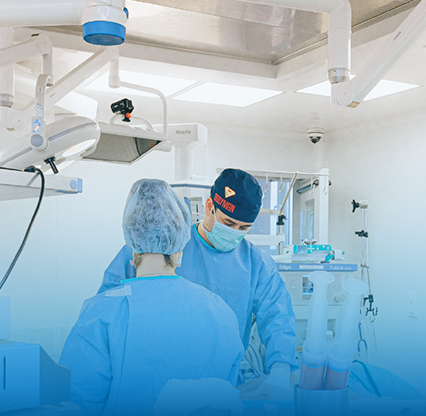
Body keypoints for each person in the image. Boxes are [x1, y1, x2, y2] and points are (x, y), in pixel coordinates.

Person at [99, 169, 298, 400]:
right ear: (210, 206)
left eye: (244, 228)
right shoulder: (166, 243)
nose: (234, 233)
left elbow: (278, 317)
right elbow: (108, 306)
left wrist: (281, 368)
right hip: (155, 376)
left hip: (222, 381)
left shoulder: (256, 263)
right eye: (228, 223)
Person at [60, 179, 244, 415]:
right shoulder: (220, 311)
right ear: (179, 250)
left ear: (132, 246)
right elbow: (227, 393)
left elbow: (77, 403)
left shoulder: (101, 314)